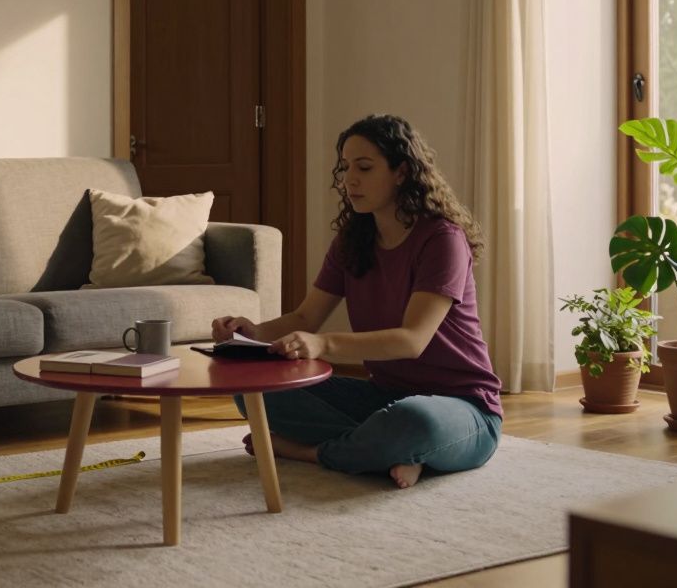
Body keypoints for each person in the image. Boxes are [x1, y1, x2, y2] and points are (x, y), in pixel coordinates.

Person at [212, 114, 502, 489]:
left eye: (364, 167)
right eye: (346, 167)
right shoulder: (353, 241)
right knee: (252, 389)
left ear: (402, 172)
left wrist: (325, 343)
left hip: (463, 406)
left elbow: (412, 340)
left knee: (414, 421)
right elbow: (305, 315)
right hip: (384, 397)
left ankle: (311, 452)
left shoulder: (442, 239)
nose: (350, 179)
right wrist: (248, 334)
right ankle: (394, 453)